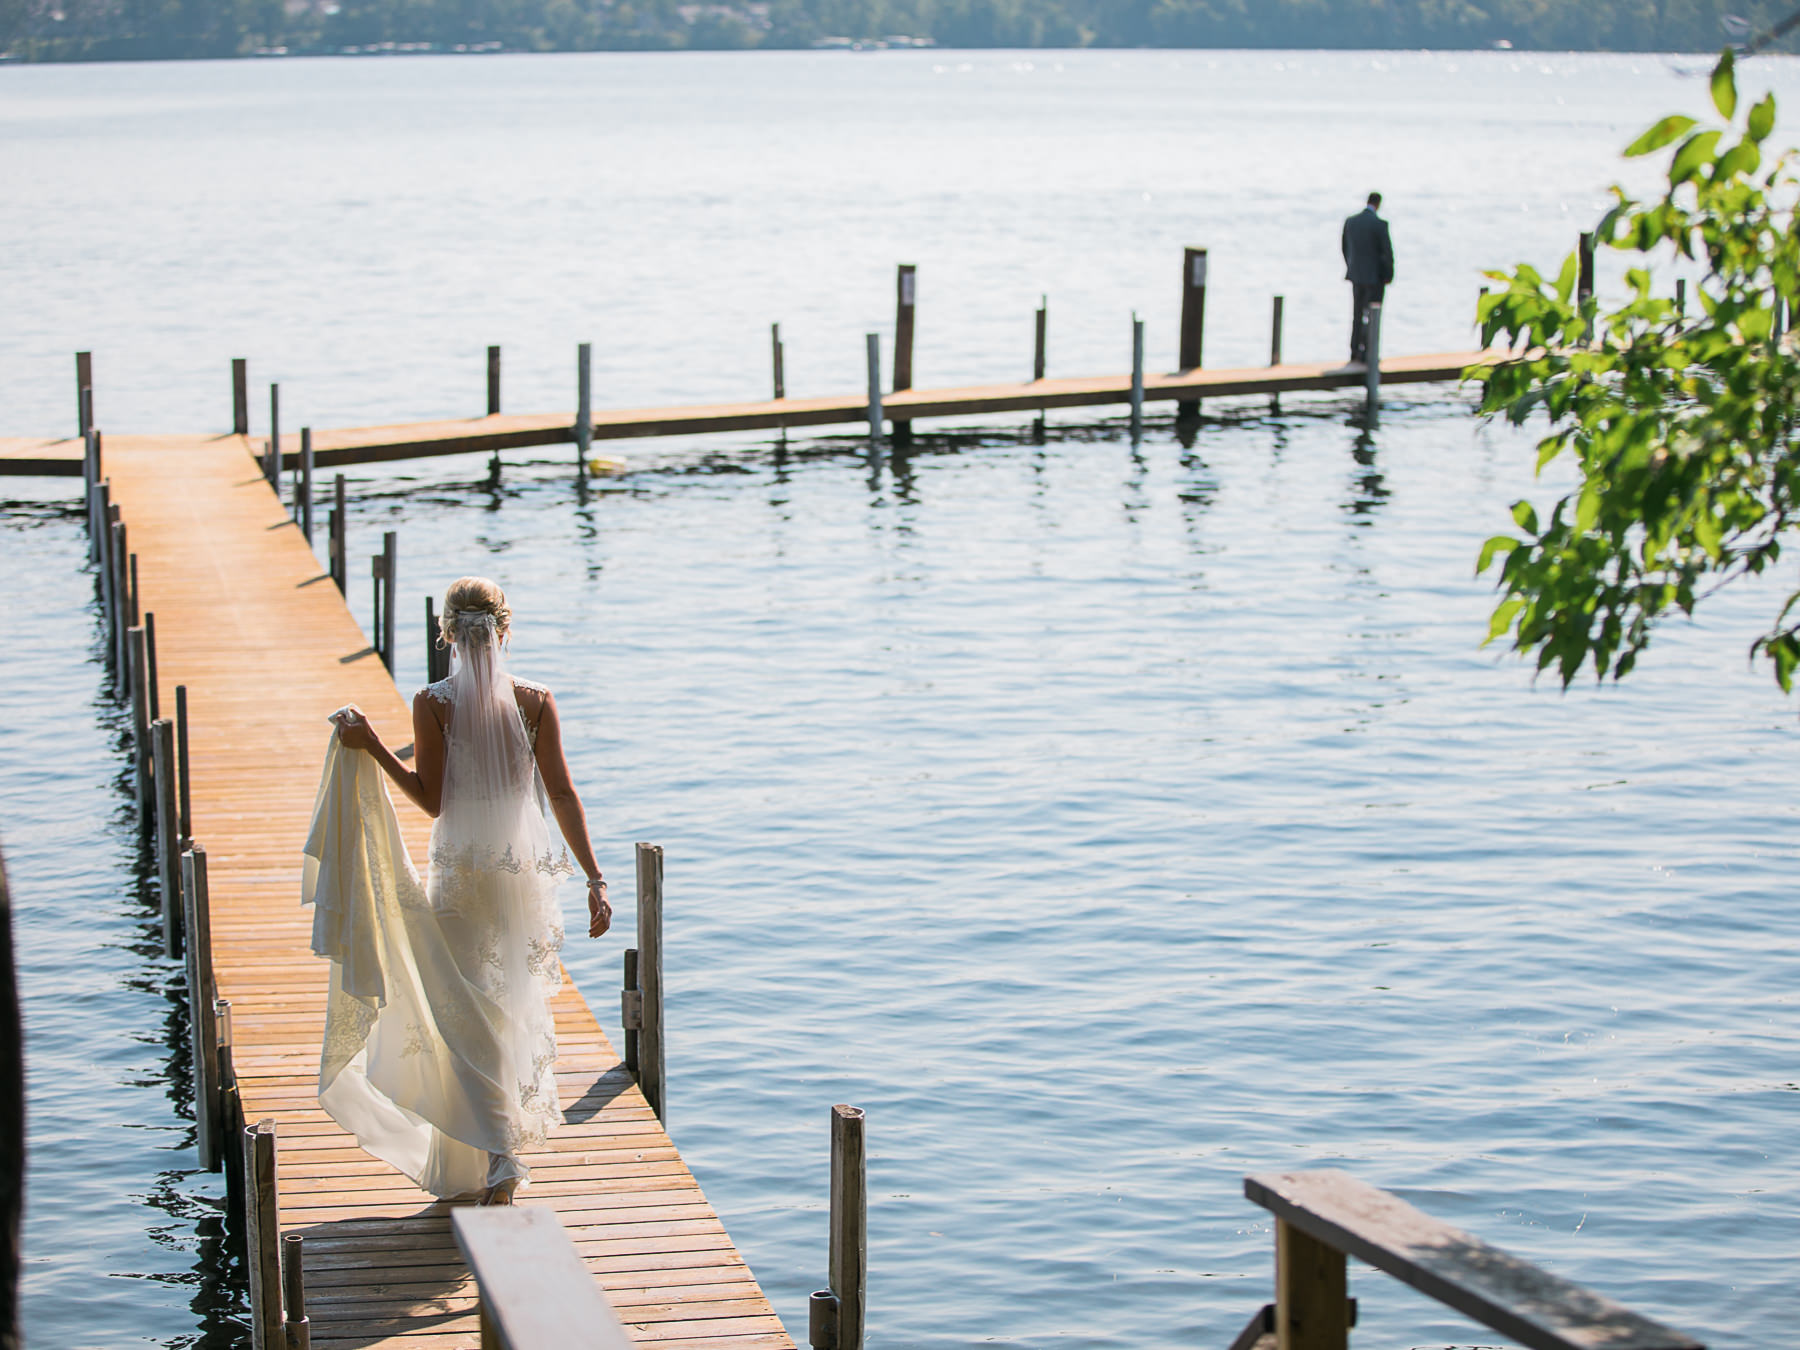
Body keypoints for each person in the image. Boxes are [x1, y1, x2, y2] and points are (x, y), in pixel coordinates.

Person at [314, 576, 610, 1206]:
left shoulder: (433, 702)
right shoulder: (534, 701)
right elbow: (561, 794)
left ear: (446, 633)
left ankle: (497, 1155)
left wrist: (372, 749)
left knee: (462, 1012)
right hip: (521, 879)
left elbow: (429, 799)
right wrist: (594, 877)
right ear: (505, 631)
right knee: (507, 1009)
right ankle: (495, 1155)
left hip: (459, 877)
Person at [1342, 192, 1395, 364]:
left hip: (1356, 277)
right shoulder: (1379, 225)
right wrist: (1388, 275)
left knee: (1357, 315)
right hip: (1375, 279)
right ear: (1378, 204)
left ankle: (1354, 351)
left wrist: (1351, 267)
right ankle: (1369, 352)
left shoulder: (1351, 222)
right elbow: (1386, 253)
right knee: (1372, 317)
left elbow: (1345, 248)